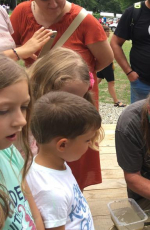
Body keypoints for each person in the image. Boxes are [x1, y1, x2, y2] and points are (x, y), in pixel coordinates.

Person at [11, 0, 113, 190]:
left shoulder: (84, 20)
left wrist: (80, 76)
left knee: (73, 157)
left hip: (68, 83)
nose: (52, 4)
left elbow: (106, 58)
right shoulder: (22, 123)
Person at [27, 91, 102, 230]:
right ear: (62, 145)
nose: (90, 144)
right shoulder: (52, 193)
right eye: (87, 140)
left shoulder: (55, 163)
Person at [28, 47, 99, 190]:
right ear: (45, 88)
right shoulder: (22, 120)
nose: (74, 106)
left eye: (80, 98)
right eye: (66, 98)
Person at [0, 55, 44, 230]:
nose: (22, 121)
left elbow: (34, 213)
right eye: (3, 110)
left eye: (24, 107)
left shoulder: (9, 152)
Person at [97, 25, 126, 107]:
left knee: (96, 81)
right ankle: (116, 101)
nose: (109, 33)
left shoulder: (103, 40)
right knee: (111, 82)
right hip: (106, 64)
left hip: (105, 63)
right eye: (107, 31)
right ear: (103, 32)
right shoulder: (101, 40)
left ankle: (85, 95)